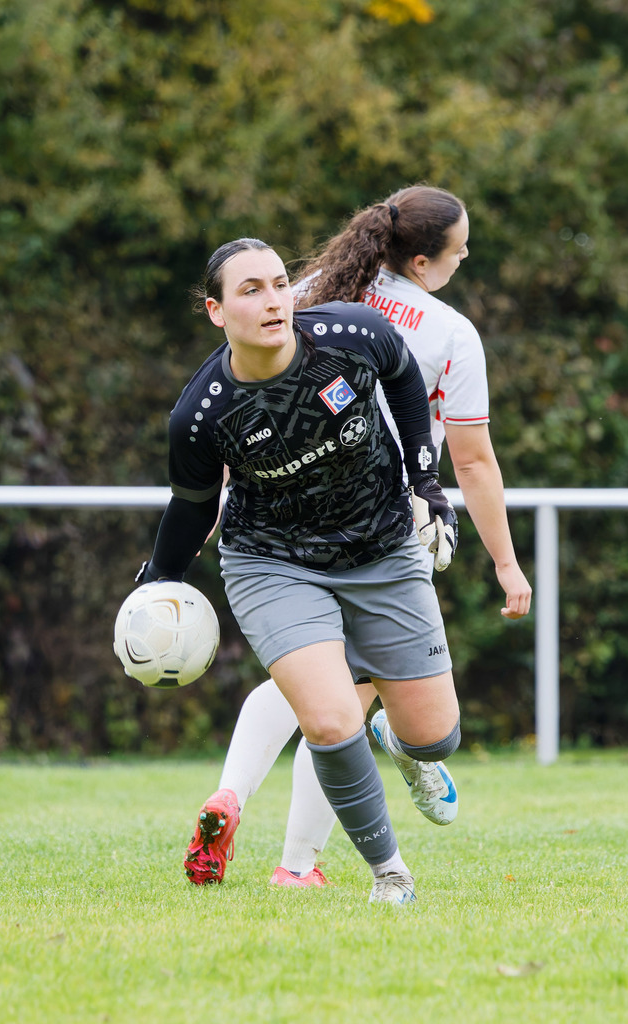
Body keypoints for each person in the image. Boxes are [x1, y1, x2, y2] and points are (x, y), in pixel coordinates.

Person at [190, 185, 532, 891]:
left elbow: (238, 391)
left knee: (313, 687)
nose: (464, 260)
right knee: (348, 701)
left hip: (280, 522)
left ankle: (232, 792)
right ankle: (298, 863)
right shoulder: (450, 332)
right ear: (423, 260)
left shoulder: (302, 288)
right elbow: (472, 462)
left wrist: (218, 494)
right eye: (460, 251)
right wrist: (506, 561)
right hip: (385, 523)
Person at [136, 236, 462, 905]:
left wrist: (425, 481)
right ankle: (390, 874)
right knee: (330, 721)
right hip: (273, 562)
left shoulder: (353, 334)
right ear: (216, 311)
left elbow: (404, 377)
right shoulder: (201, 413)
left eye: (279, 284)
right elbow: (192, 506)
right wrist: (159, 578)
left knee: (436, 738)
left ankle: (402, 743)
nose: (272, 301)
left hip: (382, 547)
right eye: (250, 290)